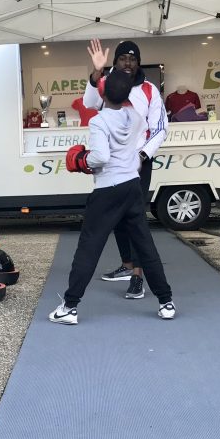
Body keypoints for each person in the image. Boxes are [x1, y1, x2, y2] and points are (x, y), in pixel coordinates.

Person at [50, 68, 175, 325]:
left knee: (89, 247)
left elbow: (101, 157)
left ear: (103, 92)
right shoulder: (135, 116)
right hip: (132, 185)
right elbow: (142, 135)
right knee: (144, 245)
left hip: (108, 189)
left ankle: (69, 307)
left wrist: (82, 159)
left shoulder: (99, 121)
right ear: (128, 94)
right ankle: (166, 301)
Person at [82, 39, 168, 300]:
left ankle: (138, 277)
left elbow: (161, 128)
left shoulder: (149, 90)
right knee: (117, 217)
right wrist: (97, 72)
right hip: (110, 162)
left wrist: (142, 154)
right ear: (116, 61)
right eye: (123, 59)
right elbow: (89, 102)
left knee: (135, 219)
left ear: (138, 62)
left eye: (132, 59)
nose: (128, 63)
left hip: (138, 162)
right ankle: (127, 265)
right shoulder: (105, 82)